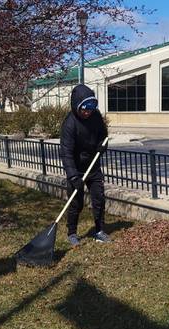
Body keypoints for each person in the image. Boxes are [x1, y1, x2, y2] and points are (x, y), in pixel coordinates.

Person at [59, 84, 110, 247]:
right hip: (76, 168)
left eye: (90, 109)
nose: (87, 112)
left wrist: (102, 146)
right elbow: (66, 153)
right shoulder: (69, 124)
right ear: (76, 106)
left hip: (93, 166)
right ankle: (72, 233)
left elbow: (103, 135)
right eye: (84, 109)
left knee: (99, 199)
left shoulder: (95, 116)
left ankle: (100, 230)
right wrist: (73, 176)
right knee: (76, 203)